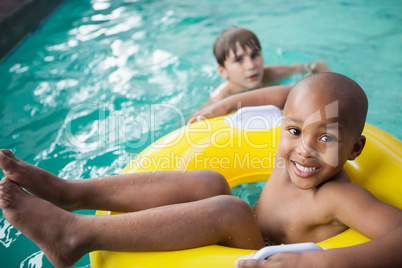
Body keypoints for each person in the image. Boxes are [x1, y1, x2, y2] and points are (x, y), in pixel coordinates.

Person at [0, 73, 401, 268]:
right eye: (294, 130)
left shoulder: (338, 197)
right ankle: (71, 192)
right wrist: (227, 104)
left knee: (232, 210)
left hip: (253, 256)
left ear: (354, 149)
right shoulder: (290, 154)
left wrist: (324, 263)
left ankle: (75, 235)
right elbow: (286, 94)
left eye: (326, 138)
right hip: (244, 235)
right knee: (211, 182)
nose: (305, 150)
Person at [203, 26, 331, 106]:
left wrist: (329, 92)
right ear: (222, 71)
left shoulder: (273, 74)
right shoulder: (221, 97)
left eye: (254, 55)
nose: (251, 66)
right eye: (239, 60)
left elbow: (316, 65)